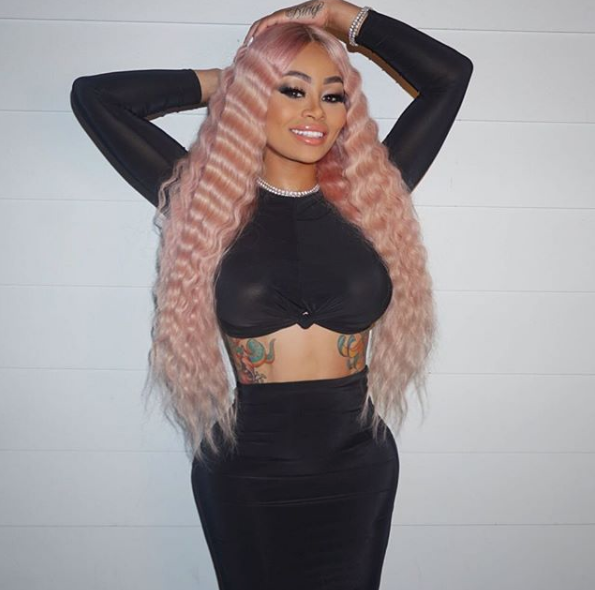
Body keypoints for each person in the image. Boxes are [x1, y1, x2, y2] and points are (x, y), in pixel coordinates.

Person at [70, 1, 473, 588]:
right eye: (291, 90)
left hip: (357, 467)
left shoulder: (371, 198)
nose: (315, 111)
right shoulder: (206, 202)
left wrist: (333, 12)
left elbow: (450, 76)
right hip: (247, 472)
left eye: (332, 96)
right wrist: (234, 81)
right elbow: (96, 97)